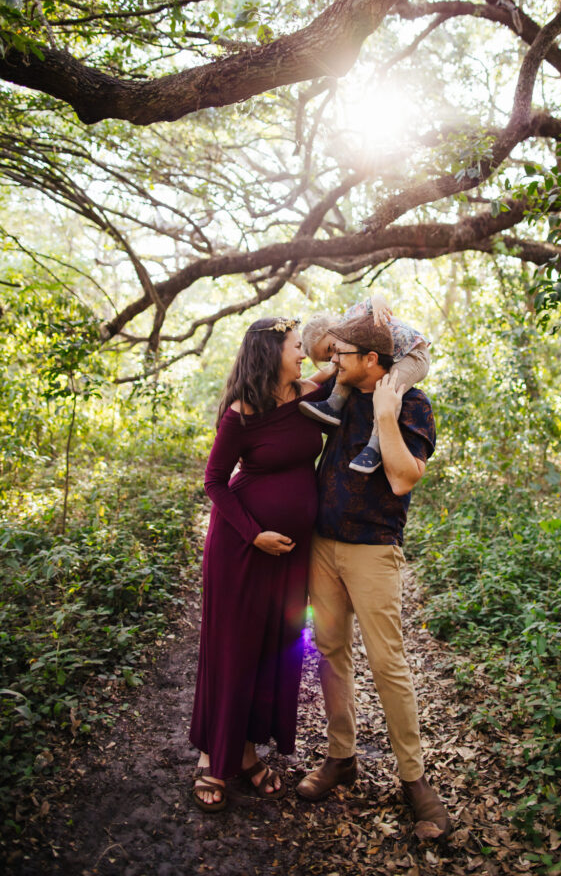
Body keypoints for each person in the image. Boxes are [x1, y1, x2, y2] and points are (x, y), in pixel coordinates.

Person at [295, 315, 450, 840]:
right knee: (331, 650)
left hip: (374, 549)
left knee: (388, 664)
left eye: (343, 355)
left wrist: (385, 416)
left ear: (372, 361)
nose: (332, 361)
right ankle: (342, 757)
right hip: (323, 543)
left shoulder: (413, 404)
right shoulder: (337, 389)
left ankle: (414, 780)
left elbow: (405, 478)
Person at [189, 317, 325, 812]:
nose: (303, 355)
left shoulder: (308, 394)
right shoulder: (239, 415)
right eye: (295, 347)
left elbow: (349, 360)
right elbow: (215, 482)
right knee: (235, 651)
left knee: (273, 649)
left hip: (289, 557)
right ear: (272, 355)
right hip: (243, 550)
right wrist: (255, 534)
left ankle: (245, 753)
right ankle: (212, 757)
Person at [300, 292, 430, 474]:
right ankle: (334, 405)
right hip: (393, 355)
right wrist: (300, 383)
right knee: (346, 367)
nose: (333, 358)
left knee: (387, 389)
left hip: (414, 355)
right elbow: (329, 371)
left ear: (333, 327)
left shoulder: (352, 317)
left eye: (331, 348)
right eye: (328, 357)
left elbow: (376, 298)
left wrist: (379, 305)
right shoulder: (345, 352)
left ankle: (375, 447)